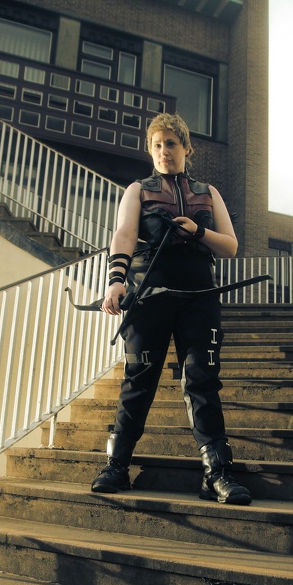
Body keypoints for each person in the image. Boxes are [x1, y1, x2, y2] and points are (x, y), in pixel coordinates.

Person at [90, 113, 252, 506]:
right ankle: (116, 466)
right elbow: (125, 234)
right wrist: (115, 280)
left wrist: (198, 231)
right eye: (158, 145)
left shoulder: (208, 191)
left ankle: (216, 474)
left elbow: (231, 246)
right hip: (150, 295)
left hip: (200, 297)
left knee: (201, 380)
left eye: (172, 143)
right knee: (139, 378)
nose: (165, 151)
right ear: (151, 150)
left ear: (186, 148)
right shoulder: (138, 189)